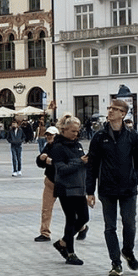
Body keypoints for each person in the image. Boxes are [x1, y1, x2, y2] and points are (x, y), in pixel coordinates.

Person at [85, 97, 138, 276]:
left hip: (128, 188)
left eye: (114, 109)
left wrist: (135, 178)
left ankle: (127, 250)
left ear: (123, 114)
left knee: (129, 224)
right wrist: (90, 191)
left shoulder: (133, 136)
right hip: (107, 188)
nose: (110, 111)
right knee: (109, 227)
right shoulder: (99, 137)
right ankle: (116, 263)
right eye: (109, 108)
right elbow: (92, 165)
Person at [40, 114, 89, 265]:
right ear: (64, 130)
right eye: (73, 131)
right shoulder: (57, 147)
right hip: (65, 188)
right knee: (71, 219)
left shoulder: (78, 145)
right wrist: (80, 162)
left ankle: (63, 242)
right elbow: (60, 169)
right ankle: (70, 253)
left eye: (77, 131)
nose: (76, 134)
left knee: (84, 218)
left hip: (79, 187)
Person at [35, 125, 59, 242]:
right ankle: (45, 233)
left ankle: (81, 228)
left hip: (63, 182)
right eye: (48, 135)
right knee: (46, 208)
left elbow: (66, 162)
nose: (49, 137)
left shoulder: (62, 146)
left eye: (51, 135)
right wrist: (41, 158)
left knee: (71, 209)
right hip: (50, 181)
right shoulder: (47, 147)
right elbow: (40, 164)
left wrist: (51, 161)